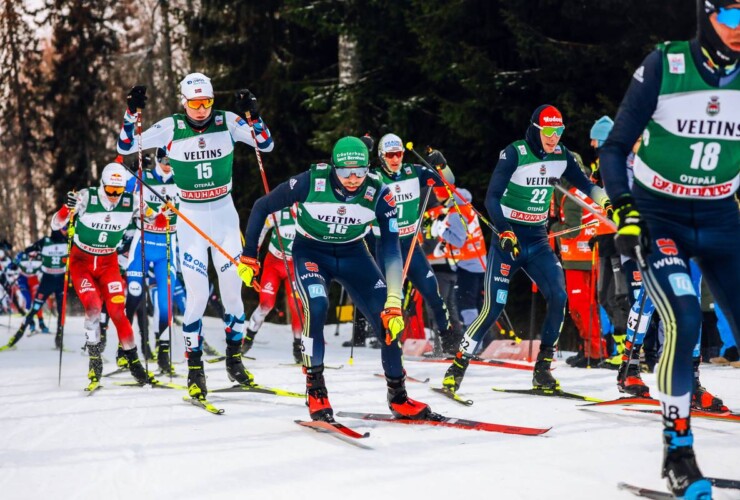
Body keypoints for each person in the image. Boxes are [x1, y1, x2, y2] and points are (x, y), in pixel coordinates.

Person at [599, 3, 740, 496]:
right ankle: (678, 451)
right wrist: (624, 208)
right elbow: (614, 147)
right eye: (732, 17)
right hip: (663, 217)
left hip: (722, 217)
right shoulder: (666, 65)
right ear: (706, 14)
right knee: (682, 316)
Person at [239, 136, 432, 422]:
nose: (353, 179)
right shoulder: (310, 182)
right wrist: (249, 256)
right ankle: (316, 389)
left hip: (354, 254)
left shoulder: (379, 193)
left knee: (389, 318)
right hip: (311, 252)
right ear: (333, 168)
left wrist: (393, 298)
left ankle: (398, 396)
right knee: (317, 305)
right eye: (345, 172)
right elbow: (261, 206)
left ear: (369, 168)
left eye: (360, 171)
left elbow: (390, 248)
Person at [116, 73, 274, 401]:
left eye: (207, 102)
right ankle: (195, 370)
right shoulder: (172, 127)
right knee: (198, 295)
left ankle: (234, 360)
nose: (201, 109)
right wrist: (131, 114)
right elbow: (126, 146)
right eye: (194, 103)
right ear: (183, 101)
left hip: (225, 216)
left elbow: (266, 144)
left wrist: (254, 117)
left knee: (233, 292)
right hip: (191, 221)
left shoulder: (227, 121)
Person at [442, 105, 611, 394]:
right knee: (494, 307)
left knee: (559, 296)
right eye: (547, 131)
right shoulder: (515, 153)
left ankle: (543, 370)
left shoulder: (562, 156)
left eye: (558, 131)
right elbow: (492, 198)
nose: (553, 137)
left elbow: (585, 184)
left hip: (537, 239)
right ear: (535, 129)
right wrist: (504, 229)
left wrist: (607, 202)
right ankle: (458, 365)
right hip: (509, 240)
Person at [51, 163, 163, 387]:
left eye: (118, 190)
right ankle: (95, 360)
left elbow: (157, 221)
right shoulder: (86, 197)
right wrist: (66, 208)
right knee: (93, 305)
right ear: (102, 185)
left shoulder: (130, 201)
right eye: (110, 190)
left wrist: (164, 214)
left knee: (117, 311)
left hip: (108, 263)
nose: (114, 195)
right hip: (81, 262)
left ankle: (134, 364)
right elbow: (56, 224)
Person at [373, 134, 455, 350]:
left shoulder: (413, 172)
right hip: (386, 246)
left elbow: (449, 182)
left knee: (432, 292)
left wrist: (442, 165)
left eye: (398, 153)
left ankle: (448, 341)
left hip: (410, 245)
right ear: (382, 157)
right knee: (393, 299)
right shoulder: (374, 177)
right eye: (390, 155)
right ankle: (391, 345)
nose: (395, 158)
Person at [124, 147, 180, 375]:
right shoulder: (144, 177)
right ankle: (124, 349)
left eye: (172, 160)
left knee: (165, 303)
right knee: (135, 293)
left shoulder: (182, 180)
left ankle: (164, 355)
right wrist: (130, 176)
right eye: (165, 160)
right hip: (143, 241)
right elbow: (120, 192)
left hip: (168, 244)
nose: (169, 164)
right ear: (157, 159)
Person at [425, 187, 487, 349]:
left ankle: (474, 346)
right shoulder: (466, 207)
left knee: (466, 305)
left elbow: (459, 240)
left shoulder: (455, 214)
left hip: (468, 264)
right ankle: (479, 343)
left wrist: (441, 230)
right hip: (478, 261)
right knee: (476, 304)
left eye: (439, 195)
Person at [242, 207, 303, 363]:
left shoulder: (312, 216)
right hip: (274, 264)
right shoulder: (280, 213)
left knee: (296, 305)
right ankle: (247, 339)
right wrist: (252, 254)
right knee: (266, 304)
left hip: (295, 267)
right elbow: (261, 228)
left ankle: (298, 348)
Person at [2, 229, 68, 350]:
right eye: (64, 228)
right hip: (46, 282)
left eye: (67, 228)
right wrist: (20, 256)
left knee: (61, 311)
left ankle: (59, 341)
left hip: (60, 283)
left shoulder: (68, 242)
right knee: (34, 308)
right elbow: (28, 250)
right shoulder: (45, 241)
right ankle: (16, 338)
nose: (66, 231)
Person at [15, 251, 48, 334]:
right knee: (28, 301)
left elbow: (45, 265)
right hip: (23, 280)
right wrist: (13, 266)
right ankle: (31, 323)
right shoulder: (21, 254)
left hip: (34, 279)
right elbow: (13, 264)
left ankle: (41, 323)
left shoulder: (40, 255)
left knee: (37, 301)